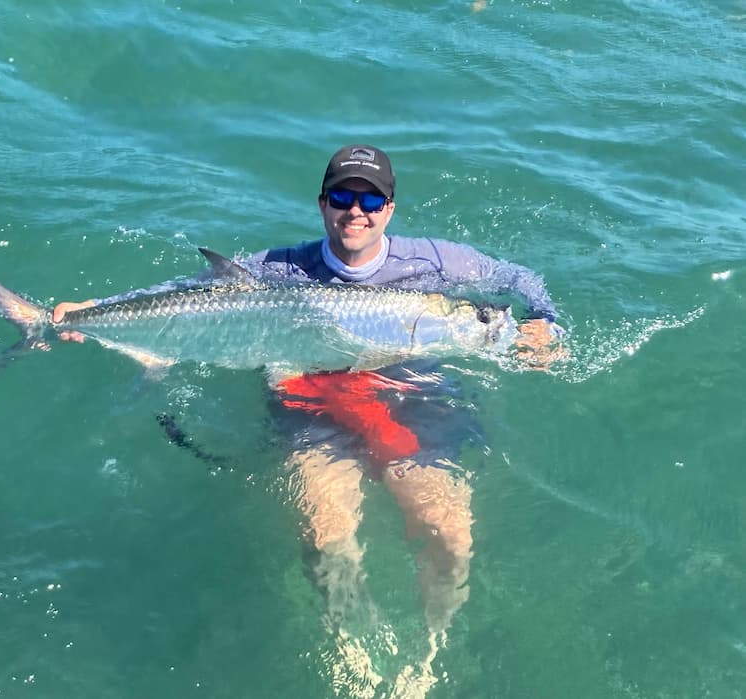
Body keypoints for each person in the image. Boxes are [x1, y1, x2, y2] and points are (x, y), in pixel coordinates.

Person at [52, 145, 564, 696]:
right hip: (308, 403)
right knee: (327, 533)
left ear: (389, 208)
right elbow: (184, 294)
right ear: (323, 204)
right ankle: (356, 656)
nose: (355, 211)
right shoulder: (278, 267)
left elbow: (520, 277)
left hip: (410, 399)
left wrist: (547, 326)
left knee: (450, 534)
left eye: (370, 199)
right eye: (342, 196)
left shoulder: (435, 263)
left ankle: (427, 657)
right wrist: (92, 309)